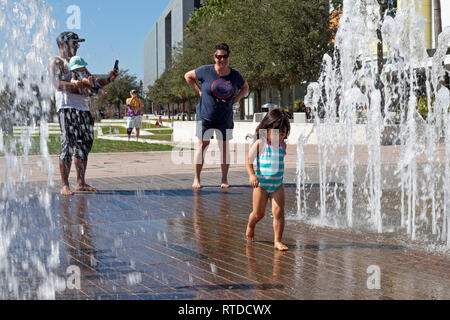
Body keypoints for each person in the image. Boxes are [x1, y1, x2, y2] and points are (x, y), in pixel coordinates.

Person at [50, 31, 118, 195]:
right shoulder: (56, 61)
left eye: (78, 43)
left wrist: (109, 79)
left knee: (84, 144)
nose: (77, 46)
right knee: (68, 144)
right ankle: (65, 185)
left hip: (83, 109)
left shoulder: (79, 64)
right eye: (75, 43)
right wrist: (80, 84)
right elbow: (56, 83)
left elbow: (93, 83)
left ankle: (81, 183)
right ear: (63, 44)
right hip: (67, 108)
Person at [184, 43, 249, 189]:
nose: (222, 59)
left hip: (225, 118)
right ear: (214, 57)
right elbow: (188, 76)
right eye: (219, 56)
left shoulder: (234, 75)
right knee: (202, 146)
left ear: (229, 57)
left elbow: (245, 87)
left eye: (225, 56)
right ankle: (196, 179)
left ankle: (224, 179)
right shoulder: (205, 71)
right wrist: (199, 91)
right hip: (204, 116)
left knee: (224, 148)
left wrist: (236, 99)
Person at [245, 109, 291, 251]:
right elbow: (248, 161)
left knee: (279, 213)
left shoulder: (283, 146)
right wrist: (252, 175)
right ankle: (251, 224)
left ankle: (277, 241)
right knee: (259, 214)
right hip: (261, 185)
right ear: (267, 129)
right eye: (277, 132)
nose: (280, 136)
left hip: (277, 185)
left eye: (283, 133)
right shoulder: (261, 143)